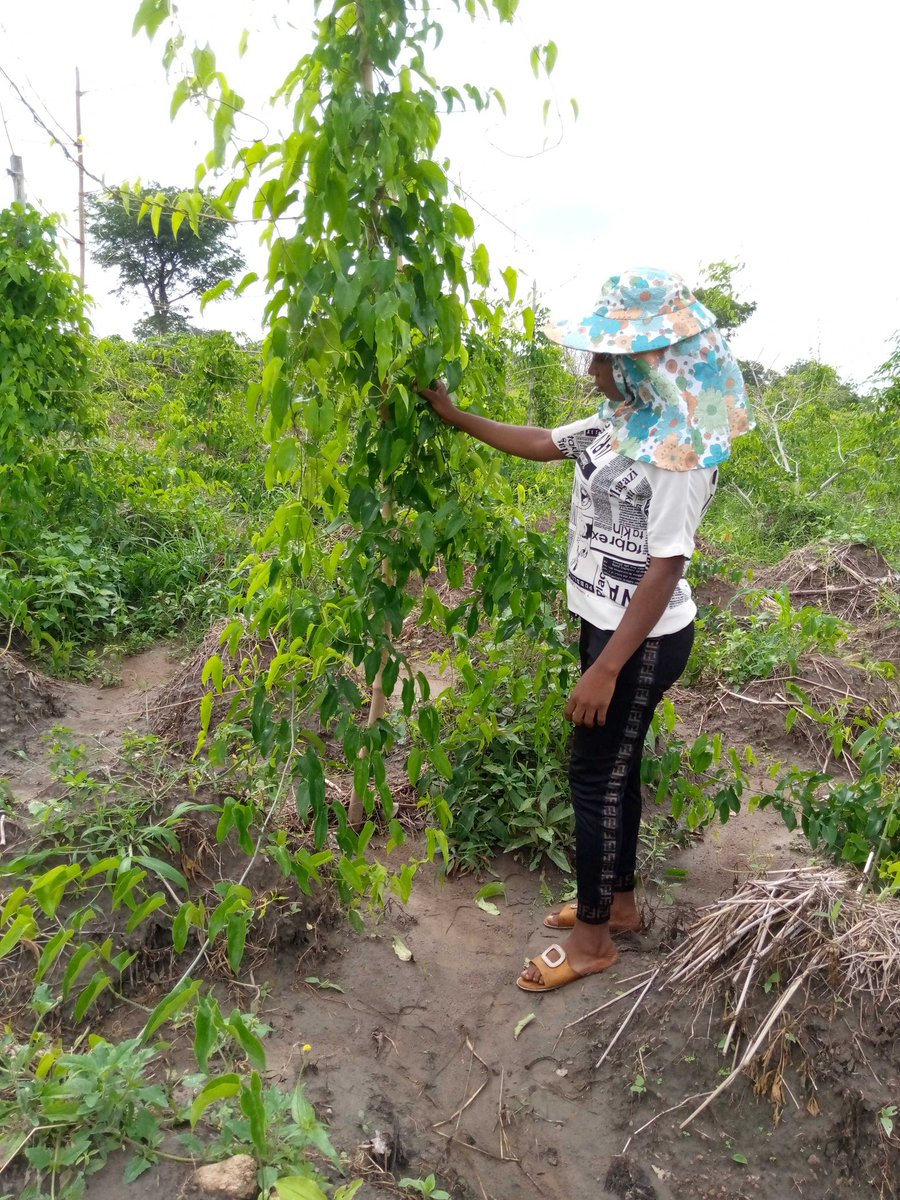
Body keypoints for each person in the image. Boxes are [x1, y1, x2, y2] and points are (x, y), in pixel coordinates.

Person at [417, 268, 754, 993]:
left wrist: (605, 669)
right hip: (605, 623)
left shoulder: (680, 450)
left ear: (640, 364)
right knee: (615, 769)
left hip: (643, 638)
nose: (592, 368)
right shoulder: (621, 421)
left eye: (604, 358)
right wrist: (456, 417)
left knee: (593, 775)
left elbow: (665, 565)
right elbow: (543, 442)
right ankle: (620, 906)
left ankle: (596, 942)